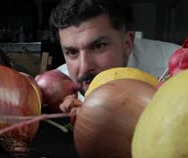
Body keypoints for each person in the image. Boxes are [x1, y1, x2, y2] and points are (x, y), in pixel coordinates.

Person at [49, 0, 180, 105]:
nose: (84, 68)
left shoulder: (177, 69)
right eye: (72, 52)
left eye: (98, 46)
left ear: (127, 44)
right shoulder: (55, 91)